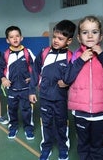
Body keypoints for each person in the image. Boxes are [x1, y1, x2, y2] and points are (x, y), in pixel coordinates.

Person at [64, 15, 103, 160]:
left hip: (100, 113)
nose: (89, 36)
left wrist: (101, 54)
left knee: (98, 145)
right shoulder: (75, 57)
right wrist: (81, 61)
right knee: (83, 145)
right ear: (79, 37)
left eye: (94, 32)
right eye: (85, 32)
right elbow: (67, 78)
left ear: (100, 37)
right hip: (80, 112)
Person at [29, 20, 76, 160]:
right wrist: (31, 91)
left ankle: (63, 147)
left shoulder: (70, 57)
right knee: (46, 123)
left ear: (69, 41)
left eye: (61, 39)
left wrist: (67, 82)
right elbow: (35, 71)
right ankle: (46, 147)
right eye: (54, 37)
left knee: (62, 124)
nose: (56, 41)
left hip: (60, 98)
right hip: (44, 97)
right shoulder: (44, 53)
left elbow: (74, 76)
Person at [1, 26, 36, 139]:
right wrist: (3, 79)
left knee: (26, 110)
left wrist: (31, 77)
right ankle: (13, 127)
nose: (15, 39)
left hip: (25, 89)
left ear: (21, 37)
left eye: (17, 36)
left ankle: (28, 128)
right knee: (12, 110)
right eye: (11, 37)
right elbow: (0, 70)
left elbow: (36, 67)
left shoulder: (27, 52)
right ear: (7, 40)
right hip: (12, 89)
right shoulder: (6, 54)